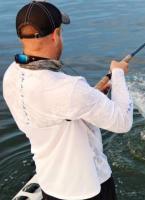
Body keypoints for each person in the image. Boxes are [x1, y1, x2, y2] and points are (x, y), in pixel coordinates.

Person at [3, 1, 133, 200]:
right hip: (88, 189)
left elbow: (53, 108)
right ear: (56, 34)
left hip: (50, 185)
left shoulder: (11, 75)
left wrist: (92, 96)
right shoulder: (69, 89)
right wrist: (117, 73)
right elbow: (123, 122)